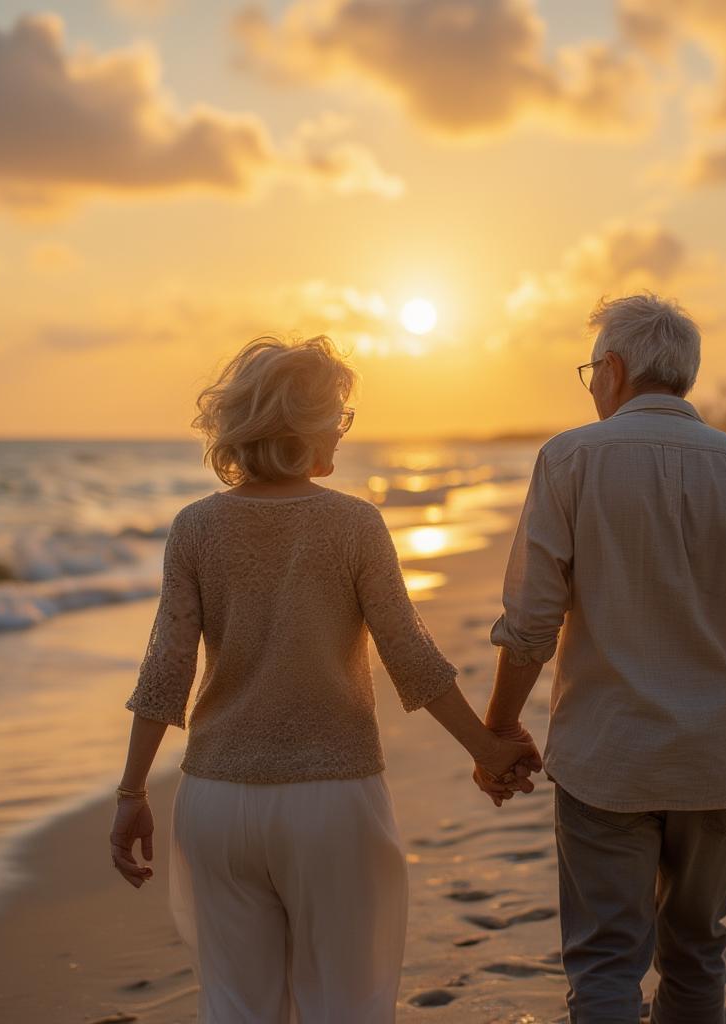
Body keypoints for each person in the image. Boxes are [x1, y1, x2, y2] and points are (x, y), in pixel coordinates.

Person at [108, 334, 537, 1024]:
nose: (342, 427)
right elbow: (411, 658)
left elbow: (166, 669)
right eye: (337, 414)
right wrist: (487, 751)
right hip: (331, 798)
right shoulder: (354, 525)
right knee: (347, 1006)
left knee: (239, 1010)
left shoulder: (195, 528)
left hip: (216, 799)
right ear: (303, 426)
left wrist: (132, 792)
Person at [476, 293, 726, 1023]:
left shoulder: (568, 459)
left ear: (615, 371)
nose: (592, 384)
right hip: (716, 761)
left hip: (607, 760)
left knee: (603, 960)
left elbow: (531, 624)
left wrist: (498, 730)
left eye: (592, 370)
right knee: (695, 952)